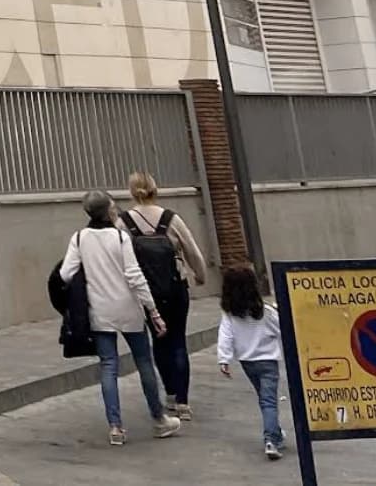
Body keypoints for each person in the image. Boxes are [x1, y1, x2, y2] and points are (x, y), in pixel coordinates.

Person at [61, 189, 182, 445]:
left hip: (99, 310)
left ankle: (115, 427)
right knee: (144, 362)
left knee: (108, 366)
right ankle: (159, 418)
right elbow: (134, 276)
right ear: (108, 210)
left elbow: (65, 273)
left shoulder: (80, 238)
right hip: (129, 309)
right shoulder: (119, 238)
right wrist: (153, 310)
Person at [121, 170, 208, 418]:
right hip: (176, 287)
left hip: (148, 293)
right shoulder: (171, 219)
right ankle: (183, 401)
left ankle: (169, 394)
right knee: (179, 341)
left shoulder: (125, 222)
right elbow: (193, 252)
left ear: (132, 191)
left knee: (159, 341)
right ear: (155, 189)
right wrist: (200, 276)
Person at [216, 265, 286, 461]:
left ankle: (276, 433)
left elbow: (225, 336)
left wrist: (224, 359)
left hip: (248, 362)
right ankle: (271, 438)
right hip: (268, 361)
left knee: (264, 399)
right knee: (269, 401)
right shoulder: (266, 312)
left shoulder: (230, 314)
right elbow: (283, 329)